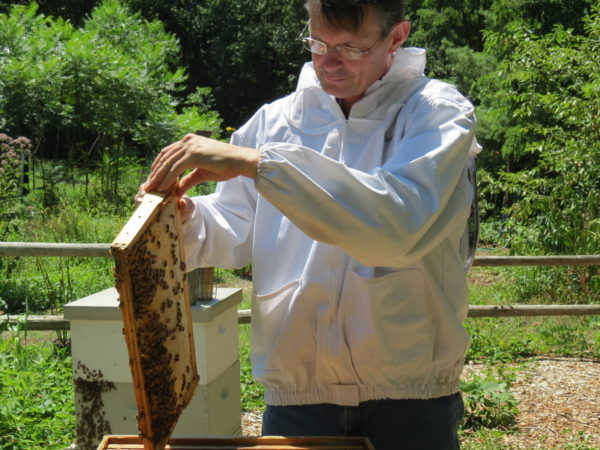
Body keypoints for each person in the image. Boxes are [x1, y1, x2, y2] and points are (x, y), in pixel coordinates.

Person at [144, 0, 481, 448]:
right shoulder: (275, 120)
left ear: (396, 37)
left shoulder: (436, 113)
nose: (329, 61)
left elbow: (399, 225)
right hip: (298, 396)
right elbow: (236, 221)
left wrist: (259, 163)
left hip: (411, 399)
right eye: (318, 43)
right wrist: (187, 219)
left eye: (350, 48)